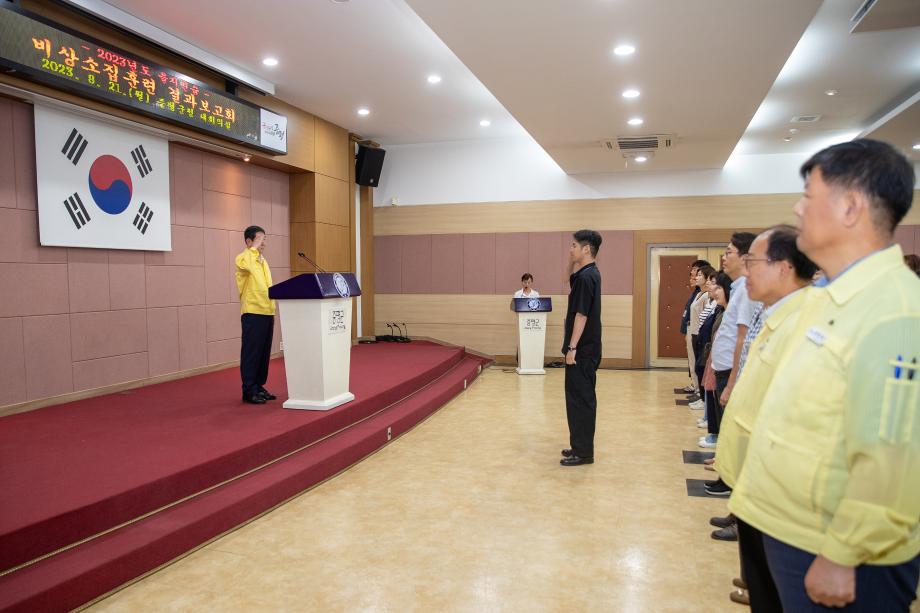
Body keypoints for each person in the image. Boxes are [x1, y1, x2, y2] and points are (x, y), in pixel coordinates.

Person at [729, 139, 920, 610]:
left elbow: (893, 459)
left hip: (837, 549)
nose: (798, 208)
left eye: (808, 197)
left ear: (851, 207)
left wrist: (842, 553)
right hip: (791, 530)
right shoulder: (828, 299)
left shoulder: (894, 310)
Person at [711, 225, 817, 609]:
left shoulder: (806, 324)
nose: (745, 270)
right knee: (762, 582)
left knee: (774, 592)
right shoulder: (777, 314)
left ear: (784, 267)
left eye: (752, 262)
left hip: (777, 489)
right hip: (756, 483)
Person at [700, 233, 761, 452]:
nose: (724, 258)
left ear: (745, 257)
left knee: (731, 423)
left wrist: (733, 381)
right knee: (725, 422)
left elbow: (742, 337)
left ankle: (727, 467)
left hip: (731, 371)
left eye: (728, 253)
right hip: (724, 368)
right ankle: (723, 460)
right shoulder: (737, 288)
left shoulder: (745, 290)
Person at [560, 230, 603, 467]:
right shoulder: (586, 273)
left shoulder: (588, 278)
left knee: (582, 401)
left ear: (586, 249)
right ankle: (579, 446)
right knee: (575, 399)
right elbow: (565, 279)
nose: (570, 249)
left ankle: (584, 453)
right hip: (583, 349)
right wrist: (571, 260)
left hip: (582, 351)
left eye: (574, 246)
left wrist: (572, 347)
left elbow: (581, 315)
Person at [235, 225, 277, 405]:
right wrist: (253, 249)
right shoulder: (243, 258)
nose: (263, 243)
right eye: (260, 239)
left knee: (263, 353)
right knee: (252, 353)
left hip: (267, 311)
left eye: (264, 239)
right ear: (249, 241)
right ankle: (249, 390)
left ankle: (259, 386)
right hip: (253, 312)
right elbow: (247, 265)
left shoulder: (262, 261)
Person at [681, 260, 710, 395]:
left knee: (699, 362)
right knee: (693, 361)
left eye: (699, 275)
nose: (695, 276)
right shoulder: (698, 294)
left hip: (699, 333)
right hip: (692, 331)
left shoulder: (706, 296)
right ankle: (696, 387)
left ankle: (699, 391)